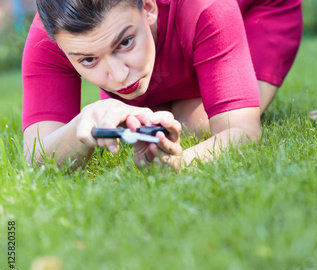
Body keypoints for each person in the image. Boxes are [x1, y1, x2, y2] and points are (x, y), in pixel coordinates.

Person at [22, 0, 302, 171]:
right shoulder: (54, 34)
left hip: (259, 10)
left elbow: (241, 132)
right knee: (150, 120)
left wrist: (179, 162)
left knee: (193, 123)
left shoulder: (207, 6)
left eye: (125, 42)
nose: (119, 75)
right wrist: (83, 123)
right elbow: (35, 157)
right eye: (89, 60)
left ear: (148, 7)